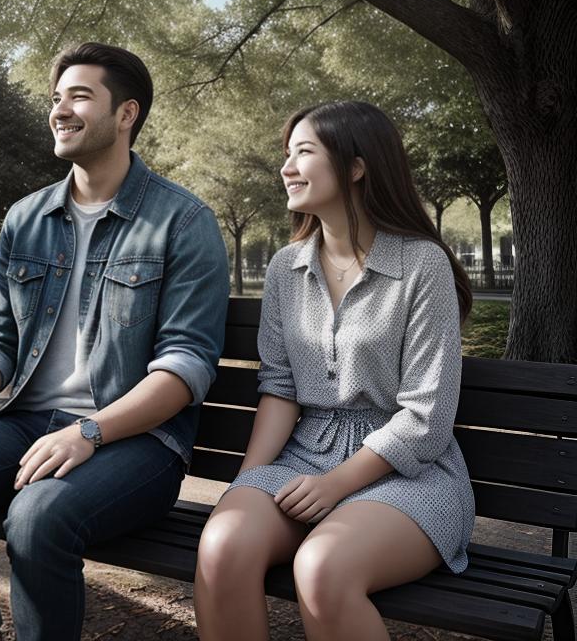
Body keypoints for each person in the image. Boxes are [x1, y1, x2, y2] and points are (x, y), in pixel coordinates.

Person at [0, 42, 229, 641]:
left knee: (36, 516)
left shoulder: (183, 220)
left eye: (80, 96)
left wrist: (90, 431)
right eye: (56, 98)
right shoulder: (26, 217)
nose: (60, 110)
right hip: (29, 421)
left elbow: (184, 366)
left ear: (126, 114)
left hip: (139, 440)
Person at [193, 101, 475, 641]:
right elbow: (279, 388)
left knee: (322, 567)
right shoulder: (285, 266)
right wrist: (247, 483)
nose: (287, 168)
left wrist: (336, 484)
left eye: (304, 152)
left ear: (355, 166)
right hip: (304, 457)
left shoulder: (422, 265)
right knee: (223, 541)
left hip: (408, 473)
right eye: (287, 154)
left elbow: (426, 419)